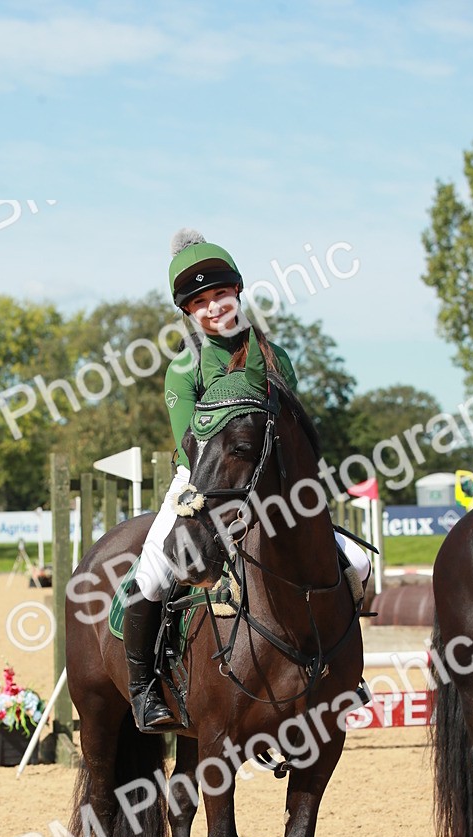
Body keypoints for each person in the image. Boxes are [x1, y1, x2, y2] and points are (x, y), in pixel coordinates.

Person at [123, 229, 371, 732]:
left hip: (276, 483)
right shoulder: (183, 369)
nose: (213, 308)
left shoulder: (276, 356)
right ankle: (144, 688)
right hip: (204, 484)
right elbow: (191, 447)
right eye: (200, 303)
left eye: (220, 295)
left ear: (237, 293)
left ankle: (341, 670)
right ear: (188, 314)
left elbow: (295, 431)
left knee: (358, 564)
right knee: (150, 578)